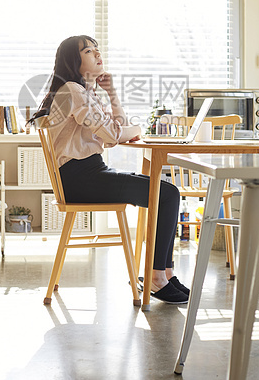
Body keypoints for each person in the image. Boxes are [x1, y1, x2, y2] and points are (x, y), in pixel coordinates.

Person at [30, 35, 189, 304]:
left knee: (166, 192)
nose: (97, 55)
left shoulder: (83, 92)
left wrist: (112, 94)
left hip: (89, 173)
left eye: (97, 49)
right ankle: (157, 277)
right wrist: (139, 130)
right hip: (81, 178)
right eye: (89, 51)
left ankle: (165, 274)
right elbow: (115, 135)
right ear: (73, 60)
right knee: (168, 194)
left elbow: (115, 132)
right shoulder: (73, 91)